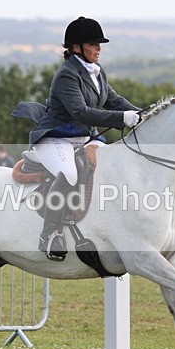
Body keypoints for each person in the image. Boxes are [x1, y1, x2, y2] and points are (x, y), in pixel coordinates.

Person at [25, 16, 142, 260]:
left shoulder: (96, 73)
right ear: (76, 47)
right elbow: (81, 112)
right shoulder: (67, 75)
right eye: (93, 44)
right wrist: (123, 119)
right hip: (55, 137)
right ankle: (50, 234)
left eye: (100, 44)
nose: (99, 49)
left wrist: (145, 114)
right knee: (69, 173)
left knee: (117, 162)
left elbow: (115, 100)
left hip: (83, 137)